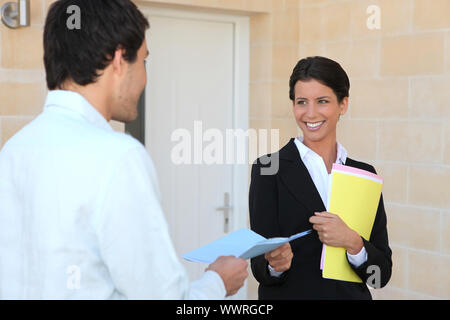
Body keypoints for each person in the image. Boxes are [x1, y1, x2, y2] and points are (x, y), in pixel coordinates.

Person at [0, 0, 248, 299]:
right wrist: (218, 282)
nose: (143, 77)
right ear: (119, 60)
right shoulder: (118, 157)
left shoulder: (13, 151)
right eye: (143, 60)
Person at [249, 56, 392, 299]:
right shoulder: (268, 169)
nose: (310, 113)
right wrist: (275, 265)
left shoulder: (365, 174)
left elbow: (381, 275)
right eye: (302, 102)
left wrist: (353, 242)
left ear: (343, 104)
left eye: (322, 101)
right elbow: (260, 268)